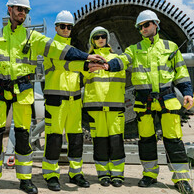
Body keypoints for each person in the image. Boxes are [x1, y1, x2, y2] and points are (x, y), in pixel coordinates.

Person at [0, 0, 105, 194]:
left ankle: (25, 180)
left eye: (26, 10)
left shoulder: (33, 37)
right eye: (19, 9)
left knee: (22, 136)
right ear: (9, 9)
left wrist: (86, 56)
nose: (22, 13)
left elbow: (59, 49)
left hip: (23, 92)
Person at [105, 10, 194, 194]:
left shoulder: (171, 47)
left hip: (168, 100)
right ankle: (149, 175)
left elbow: (182, 74)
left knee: (174, 140)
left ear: (156, 24)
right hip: (144, 102)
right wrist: (107, 64)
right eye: (140, 27)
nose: (143, 29)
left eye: (146, 25)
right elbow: (122, 60)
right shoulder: (134, 49)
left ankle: (182, 179)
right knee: (146, 141)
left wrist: (187, 93)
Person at [42, 10, 90, 191]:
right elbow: (65, 61)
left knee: (76, 138)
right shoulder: (51, 47)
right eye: (62, 26)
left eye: (69, 27)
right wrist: (86, 61)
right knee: (54, 138)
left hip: (74, 101)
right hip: (56, 100)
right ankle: (51, 174)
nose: (66, 29)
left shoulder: (76, 50)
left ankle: (76, 172)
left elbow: (84, 71)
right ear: (56, 27)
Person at [82, 26, 126, 187]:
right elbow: (85, 75)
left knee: (116, 141)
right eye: (96, 37)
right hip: (96, 107)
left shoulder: (118, 59)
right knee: (99, 142)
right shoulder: (87, 62)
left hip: (115, 107)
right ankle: (103, 174)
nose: (101, 39)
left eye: (103, 36)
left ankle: (117, 174)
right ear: (92, 41)